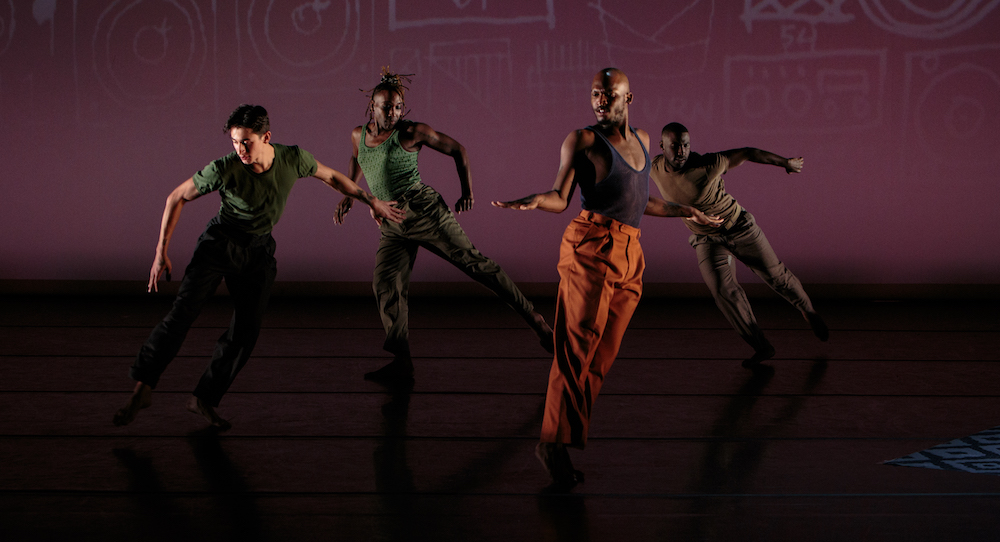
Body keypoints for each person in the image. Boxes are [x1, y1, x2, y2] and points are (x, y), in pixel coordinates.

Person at [492, 68, 722, 489]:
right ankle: (551, 443)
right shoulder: (580, 141)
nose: (601, 101)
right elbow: (560, 198)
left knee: (601, 357)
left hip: (630, 253)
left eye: (610, 95)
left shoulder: (644, 141)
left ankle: (563, 440)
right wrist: (533, 201)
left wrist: (686, 211)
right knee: (574, 351)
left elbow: (637, 201)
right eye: (596, 94)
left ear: (629, 99)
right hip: (591, 247)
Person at [112, 104, 405, 429]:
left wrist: (371, 200)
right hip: (219, 245)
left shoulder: (293, 158)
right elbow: (176, 197)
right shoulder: (224, 168)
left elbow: (333, 177)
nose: (240, 149)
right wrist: (160, 251)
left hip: (258, 252)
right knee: (181, 316)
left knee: (246, 330)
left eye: (246, 142)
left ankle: (203, 398)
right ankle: (142, 388)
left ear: (266, 137)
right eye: (235, 142)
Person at [334, 68, 553, 382]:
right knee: (385, 284)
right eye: (386, 107)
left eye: (398, 107)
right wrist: (350, 195)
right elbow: (357, 160)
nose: (393, 113)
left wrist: (467, 191)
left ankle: (538, 323)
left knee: (478, 266)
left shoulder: (411, 132)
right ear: (372, 106)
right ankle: (402, 361)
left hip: (425, 212)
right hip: (392, 220)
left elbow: (457, 150)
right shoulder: (359, 134)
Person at [650, 122, 828, 368]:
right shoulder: (653, 167)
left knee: (776, 276)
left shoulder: (707, 164)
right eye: (675, 146)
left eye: (686, 146)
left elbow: (747, 152)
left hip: (739, 227)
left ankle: (808, 310)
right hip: (706, 239)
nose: (681, 152)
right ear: (661, 146)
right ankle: (761, 345)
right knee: (723, 291)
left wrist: (786, 163)